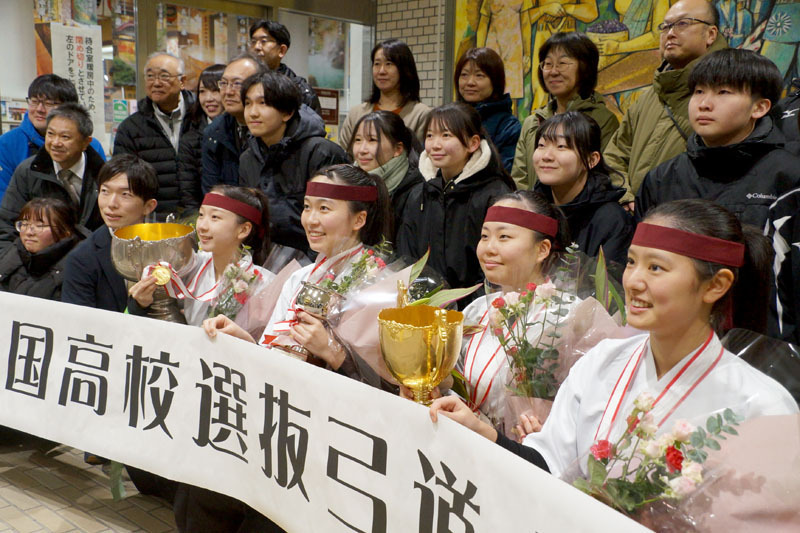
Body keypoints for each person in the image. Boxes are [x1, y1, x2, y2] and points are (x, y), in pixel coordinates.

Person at [428, 199, 798, 478]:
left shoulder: (763, 406)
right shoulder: (602, 363)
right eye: (633, 262)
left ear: (715, 285)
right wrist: (484, 433)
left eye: (656, 267)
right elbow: (549, 466)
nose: (634, 280)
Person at [60, 154, 173, 497]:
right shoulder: (84, 257)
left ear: (148, 205)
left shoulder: (172, 245)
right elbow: (83, 330)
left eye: (124, 194)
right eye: (105, 191)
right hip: (116, 366)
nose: (111, 203)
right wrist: (134, 308)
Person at [634, 49, 800, 230]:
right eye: (698, 91)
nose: (704, 104)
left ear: (759, 107)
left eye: (723, 92)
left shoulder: (789, 175)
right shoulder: (662, 178)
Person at [458, 191, 575, 426]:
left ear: (542, 249)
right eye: (484, 236)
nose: (488, 248)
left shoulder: (569, 316)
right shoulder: (476, 309)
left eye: (504, 237)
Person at [604, 0, 726, 208]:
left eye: (683, 24)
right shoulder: (651, 95)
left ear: (711, 34)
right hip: (637, 220)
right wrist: (627, 198)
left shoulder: (726, 92)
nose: (670, 33)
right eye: (666, 26)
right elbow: (615, 155)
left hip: (688, 224)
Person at [395, 102, 515, 297]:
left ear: (473, 143)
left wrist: (465, 310)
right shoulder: (419, 193)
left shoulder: (496, 195)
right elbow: (407, 256)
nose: (435, 144)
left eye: (446, 135)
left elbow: (497, 265)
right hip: (423, 308)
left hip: (477, 310)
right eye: (430, 135)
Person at [128, 185, 275, 327]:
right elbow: (160, 310)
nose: (202, 226)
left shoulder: (265, 284)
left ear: (243, 230)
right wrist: (141, 302)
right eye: (201, 215)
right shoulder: (191, 265)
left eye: (215, 217)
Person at [238, 71, 347, 256]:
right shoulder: (248, 158)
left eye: (262, 103)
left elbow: (337, 221)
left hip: (317, 260)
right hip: (266, 261)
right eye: (248, 103)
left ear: (287, 113)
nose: (252, 112)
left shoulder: (320, 152)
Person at [511, 32, 619, 190]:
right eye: (547, 64)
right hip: (535, 211)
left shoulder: (602, 119)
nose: (553, 71)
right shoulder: (532, 122)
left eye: (562, 63)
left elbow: (606, 175)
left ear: (585, 68)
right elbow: (520, 178)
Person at [0, 103, 105, 254]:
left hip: (89, 262)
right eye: (50, 134)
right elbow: (6, 225)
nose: (55, 143)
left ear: (85, 143)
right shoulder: (28, 171)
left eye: (65, 137)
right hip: (39, 263)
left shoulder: (102, 175)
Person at [533, 112, 633, 266]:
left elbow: (611, 284)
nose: (546, 156)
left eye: (561, 146)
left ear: (591, 160)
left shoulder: (612, 220)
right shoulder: (532, 209)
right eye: (541, 145)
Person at [113, 52, 201, 216]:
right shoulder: (131, 128)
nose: (156, 83)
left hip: (202, 217)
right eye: (150, 76)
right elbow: (124, 179)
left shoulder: (201, 118)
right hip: (154, 219)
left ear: (182, 82)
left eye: (164, 76)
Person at [0, 74, 105, 200]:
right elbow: (6, 202)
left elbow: (104, 188)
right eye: (34, 101)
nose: (39, 109)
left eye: (49, 103)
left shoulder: (91, 146)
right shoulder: (7, 143)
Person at [338, 39, 431, 149]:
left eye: (389, 64)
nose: (381, 71)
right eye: (377, 64)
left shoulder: (421, 114)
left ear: (404, 69)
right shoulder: (356, 113)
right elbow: (343, 156)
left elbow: (421, 158)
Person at [200, 53, 267, 194]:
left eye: (237, 84)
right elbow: (212, 192)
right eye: (223, 83)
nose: (228, 92)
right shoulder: (214, 132)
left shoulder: (273, 130)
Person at [347, 110, 423, 234]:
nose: (361, 150)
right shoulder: (346, 182)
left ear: (398, 149)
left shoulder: (415, 193)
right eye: (358, 140)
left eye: (372, 140)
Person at [0, 197, 82, 300]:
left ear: (65, 232)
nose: (29, 232)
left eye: (39, 226)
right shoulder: (12, 252)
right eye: (24, 224)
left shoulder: (76, 266)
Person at [455, 47, 521, 172]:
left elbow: (504, 172)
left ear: (495, 81)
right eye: (464, 75)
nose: (470, 82)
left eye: (479, 75)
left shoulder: (508, 125)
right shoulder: (449, 118)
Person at [177, 63, 225, 211]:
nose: (208, 98)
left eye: (215, 90)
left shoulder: (243, 130)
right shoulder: (190, 138)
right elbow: (188, 192)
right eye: (203, 91)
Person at [249, 19, 322, 115]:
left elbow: (312, 127)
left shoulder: (300, 90)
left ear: (282, 50)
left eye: (263, 41)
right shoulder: (243, 83)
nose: (256, 47)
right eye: (253, 42)